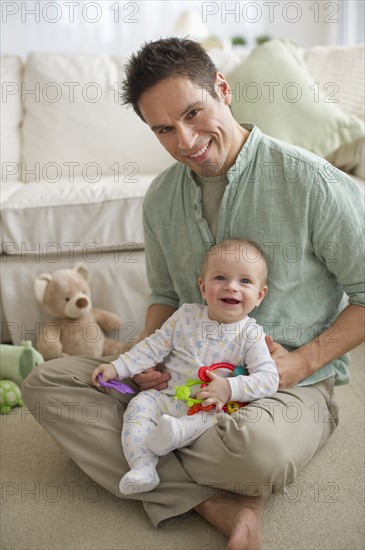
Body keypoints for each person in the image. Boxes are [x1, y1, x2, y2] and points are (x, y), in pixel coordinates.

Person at [22, 37, 364, 550]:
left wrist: (296, 365)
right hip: (179, 382)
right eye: (163, 128)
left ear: (222, 89)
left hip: (283, 387)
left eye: (193, 113)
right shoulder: (162, 197)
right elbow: (163, 293)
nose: (185, 140)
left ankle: (157, 456)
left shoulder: (314, 183)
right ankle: (215, 500)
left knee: (259, 454)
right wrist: (144, 363)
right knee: (49, 384)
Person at [91, 238, 279, 495]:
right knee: (138, 405)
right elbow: (152, 347)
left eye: (244, 281)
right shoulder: (185, 316)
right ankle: (143, 467)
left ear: (260, 295)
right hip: (167, 396)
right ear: (203, 287)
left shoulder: (250, 334)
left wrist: (229, 387)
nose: (231, 287)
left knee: (214, 418)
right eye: (220, 278)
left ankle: (174, 435)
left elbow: (269, 379)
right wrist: (116, 368)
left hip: (207, 406)